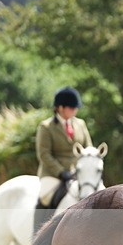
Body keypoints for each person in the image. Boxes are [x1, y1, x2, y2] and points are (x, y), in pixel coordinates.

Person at [34, 87, 93, 231]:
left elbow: (88, 148)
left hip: (77, 173)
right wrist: (61, 172)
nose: (75, 111)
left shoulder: (80, 124)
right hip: (53, 174)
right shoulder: (46, 127)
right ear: (60, 108)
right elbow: (44, 154)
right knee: (45, 197)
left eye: (75, 108)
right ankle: (39, 232)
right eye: (71, 108)